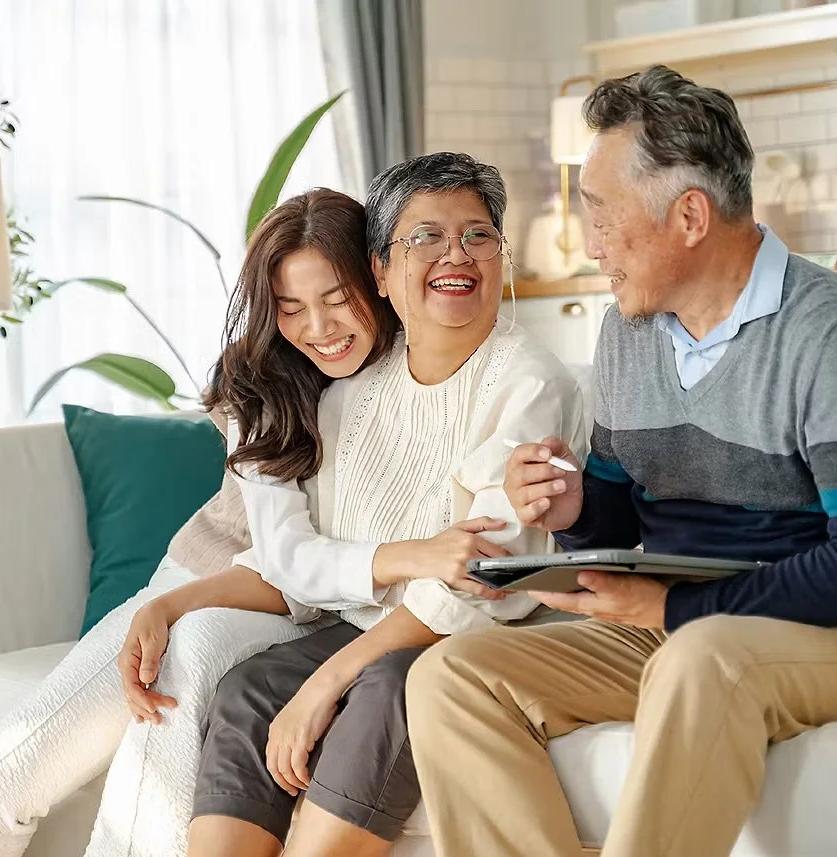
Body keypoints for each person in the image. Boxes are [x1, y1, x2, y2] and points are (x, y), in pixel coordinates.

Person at [406, 65, 837, 857]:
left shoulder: (828, 330)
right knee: (450, 678)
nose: (591, 246)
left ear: (690, 215)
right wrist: (571, 508)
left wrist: (675, 611)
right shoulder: (627, 332)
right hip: (688, 632)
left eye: (603, 215)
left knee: (703, 655)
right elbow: (615, 517)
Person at [0, 187, 494, 857]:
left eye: (337, 298)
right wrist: (169, 603)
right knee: (4, 774)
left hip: (321, 612)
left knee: (194, 646)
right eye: (291, 308)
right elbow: (283, 558)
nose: (320, 327)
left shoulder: (423, 371)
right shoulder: (263, 385)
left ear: (377, 277)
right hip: (218, 579)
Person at [184, 153, 584, 857]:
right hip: (366, 627)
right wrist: (174, 606)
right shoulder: (350, 391)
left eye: (478, 235)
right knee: (249, 688)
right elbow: (309, 561)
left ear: (500, 256)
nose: (456, 255)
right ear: (381, 270)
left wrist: (329, 679)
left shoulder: (530, 383)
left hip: (470, 637)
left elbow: (484, 579)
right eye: (426, 236)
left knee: (395, 683)